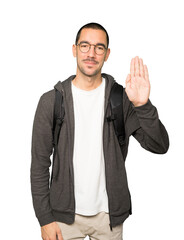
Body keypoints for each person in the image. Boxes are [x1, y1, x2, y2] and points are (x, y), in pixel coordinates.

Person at [31, 22, 169, 240]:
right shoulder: (51, 101)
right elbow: (39, 164)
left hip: (109, 218)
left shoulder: (121, 99)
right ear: (74, 49)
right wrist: (45, 219)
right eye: (85, 46)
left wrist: (143, 106)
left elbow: (159, 145)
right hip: (64, 218)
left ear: (107, 54)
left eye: (99, 47)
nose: (91, 53)